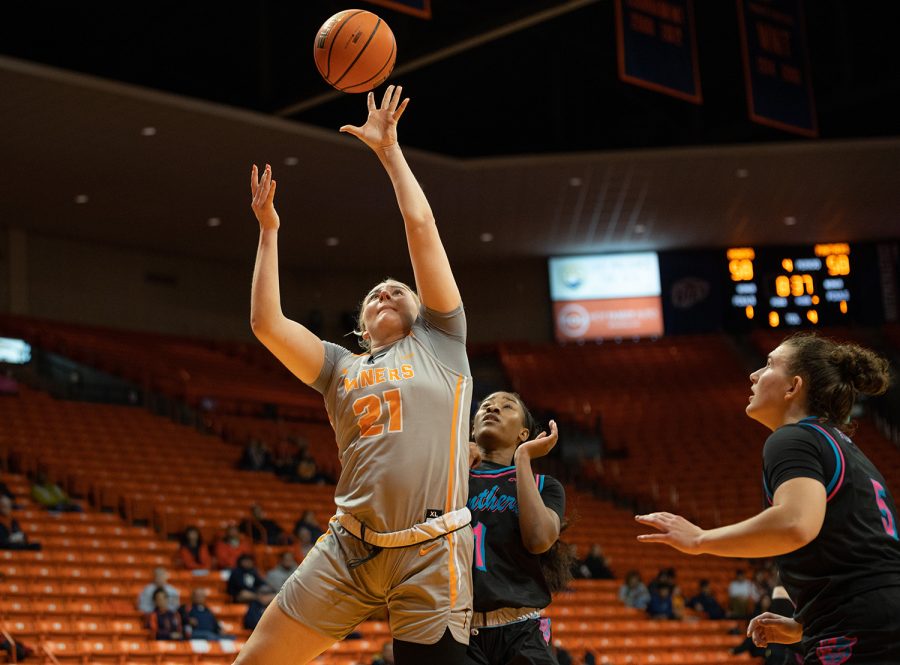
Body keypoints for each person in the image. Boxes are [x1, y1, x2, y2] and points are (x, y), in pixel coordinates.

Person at [237, 85, 473, 665]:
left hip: (432, 547)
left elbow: (421, 228)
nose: (388, 290)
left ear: (421, 311)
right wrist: (269, 231)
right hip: (348, 546)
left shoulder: (443, 342)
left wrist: (389, 152)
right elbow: (267, 323)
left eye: (399, 289)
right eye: (375, 294)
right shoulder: (341, 365)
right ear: (362, 326)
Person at [636, 333, 900, 662]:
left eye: (770, 364)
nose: (754, 375)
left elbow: (794, 525)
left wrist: (701, 539)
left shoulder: (794, 437)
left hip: (860, 627)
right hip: (875, 619)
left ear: (793, 387)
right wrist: (803, 625)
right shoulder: (843, 447)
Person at [465, 392, 570, 665]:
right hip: (458, 631)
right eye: (486, 405)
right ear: (473, 428)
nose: (494, 408)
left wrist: (523, 458)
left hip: (521, 629)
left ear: (523, 434)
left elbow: (539, 540)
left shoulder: (545, 486)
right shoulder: (450, 476)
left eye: (507, 406)